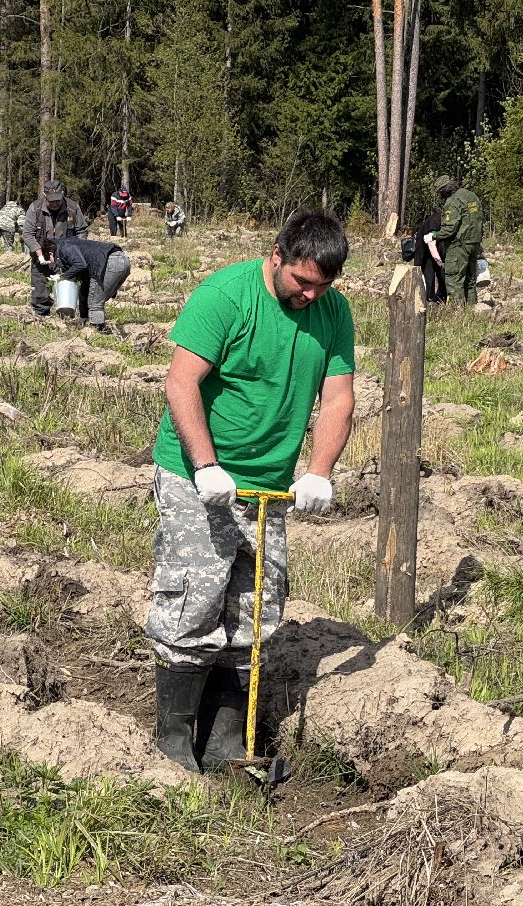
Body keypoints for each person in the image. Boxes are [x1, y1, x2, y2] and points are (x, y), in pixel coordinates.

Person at [146, 212, 357, 773]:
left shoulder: (334, 313)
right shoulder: (226, 296)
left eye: (322, 286)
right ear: (277, 254)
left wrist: (319, 470)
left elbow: (337, 398)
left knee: (255, 605)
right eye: (301, 282)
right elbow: (181, 380)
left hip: (268, 485)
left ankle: (226, 743)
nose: (311, 295)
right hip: (200, 474)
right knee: (194, 595)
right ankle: (173, 744)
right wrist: (206, 465)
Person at [22, 180, 90, 317]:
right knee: (40, 289)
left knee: (67, 286)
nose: (55, 203)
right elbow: (27, 234)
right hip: (42, 253)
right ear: (45, 196)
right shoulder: (35, 208)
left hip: (64, 255)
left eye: (57, 200)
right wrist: (38, 252)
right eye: (51, 201)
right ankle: (41, 315)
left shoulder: (72, 208)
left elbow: (82, 231)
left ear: (62, 195)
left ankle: (67, 316)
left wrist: (76, 251)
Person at [55, 234, 131, 331]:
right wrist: (82, 317)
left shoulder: (65, 247)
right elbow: (85, 287)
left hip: (110, 262)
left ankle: (97, 330)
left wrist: (63, 277)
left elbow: (80, 265)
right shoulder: (76, 245)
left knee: (95, 302)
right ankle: (87, 322)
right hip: (123, 260)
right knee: (91, 294)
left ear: (50, 253)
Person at [433, 175, 483, 305]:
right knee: (470, 279)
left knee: (454, 278)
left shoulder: (452, 201)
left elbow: (449, 229)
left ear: (444, 190)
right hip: (474, 243)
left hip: (458, 246)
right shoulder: (472, 196)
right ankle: (471, 309)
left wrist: (434, 235)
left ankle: (458, 313)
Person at [412, 209, 446, 303]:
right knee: (429, 278)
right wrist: (440, 263)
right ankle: (428, 300)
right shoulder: (434, 221)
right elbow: (431, 245)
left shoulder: (448, 222)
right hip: (425, 253)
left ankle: (441, 299)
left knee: (442, 276)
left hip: (438, 251)